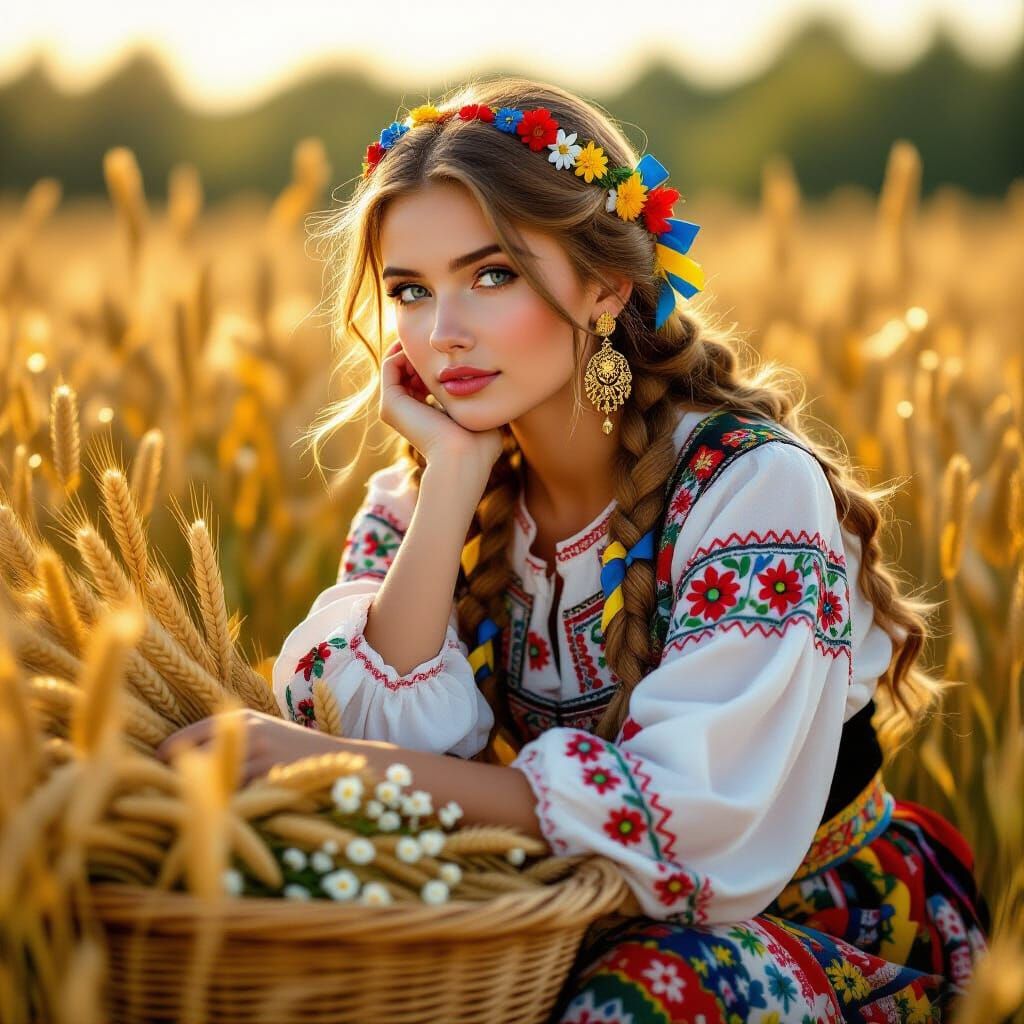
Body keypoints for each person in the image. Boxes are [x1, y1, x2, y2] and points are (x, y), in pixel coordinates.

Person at [168, 76, 990, 1021]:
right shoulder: (425, 495)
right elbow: (379, 732)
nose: (443, 335)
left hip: (801, 922)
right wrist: (454, 473)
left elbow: (698, 823)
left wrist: (340, 770)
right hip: (546, 909)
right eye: (409, 291)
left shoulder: (749, 489)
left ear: (607, 285)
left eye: (492, 275)